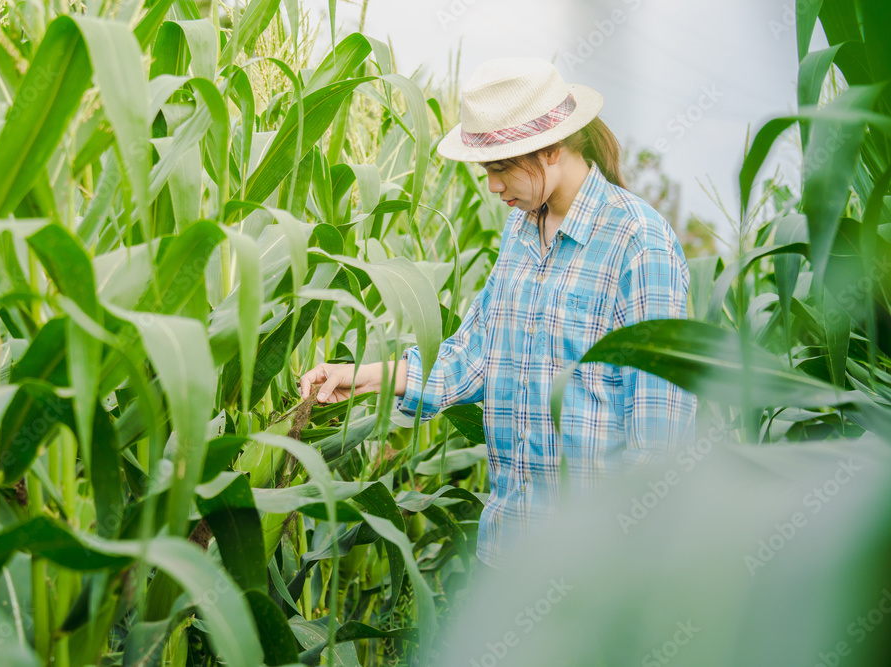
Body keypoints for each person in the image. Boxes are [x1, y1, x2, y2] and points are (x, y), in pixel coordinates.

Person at [298, 57, 696, 569]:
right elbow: (474, 358)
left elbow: (658, 441)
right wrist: (367, 377)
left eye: (501, 168)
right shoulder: (520, 232)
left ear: (551, 149)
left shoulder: (639, 244)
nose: (491, 186)